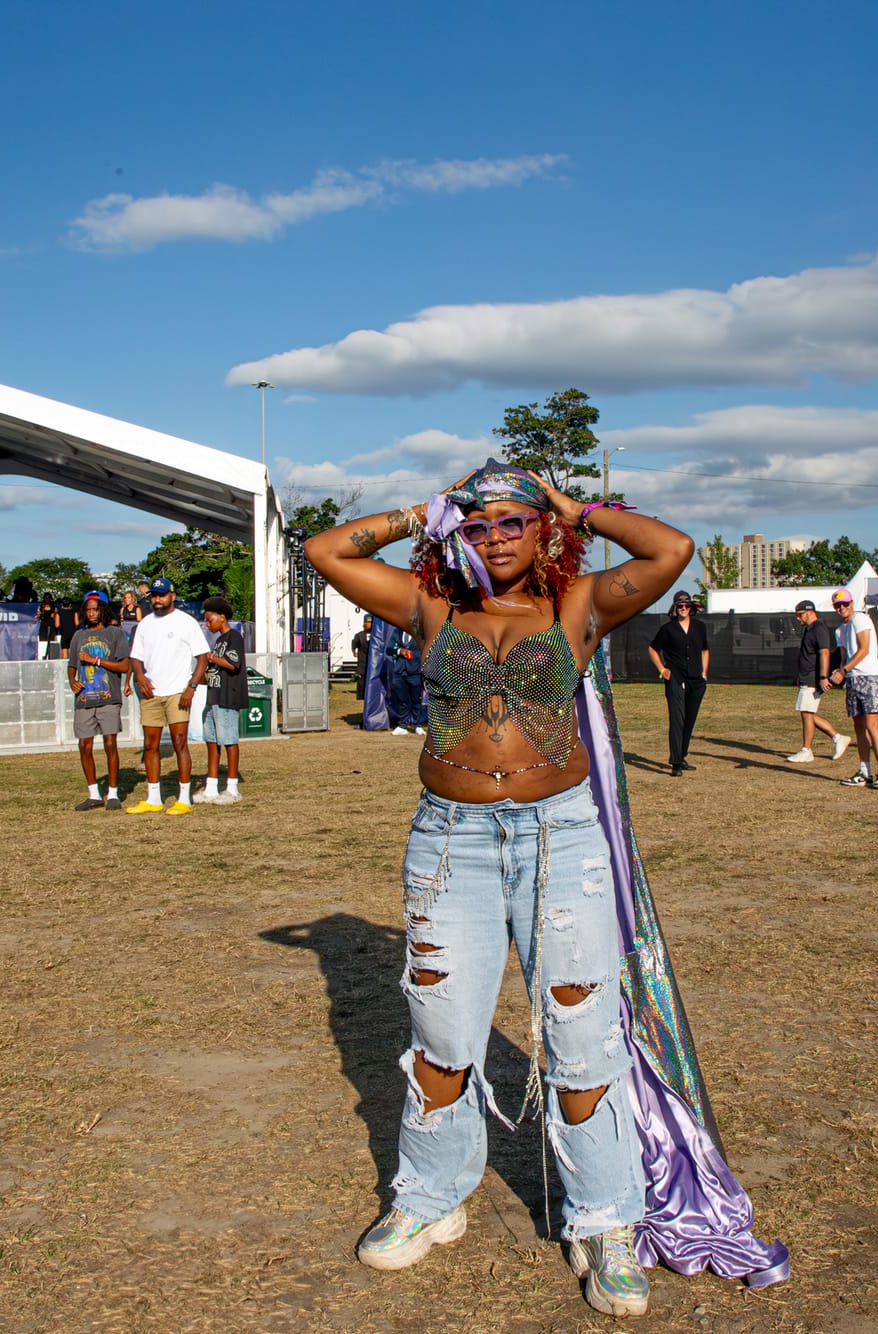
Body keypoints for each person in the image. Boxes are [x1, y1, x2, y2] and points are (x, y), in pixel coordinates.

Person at [301, 459, 785, 1314]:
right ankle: (429, 1198)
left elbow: (672, 548)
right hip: (451, 842)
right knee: (442, 1033)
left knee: (582, 1033)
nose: (495, 537)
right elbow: (326, 550)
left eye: (513, 522)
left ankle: (605, 1223)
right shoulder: (431, 608)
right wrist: (425, 512)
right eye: (479, 524)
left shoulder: (578, 608)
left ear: (541, 532)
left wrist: (575, 508)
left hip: (560, 838)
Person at [125, 577, 208, 815]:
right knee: (150, 745)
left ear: (172, 596)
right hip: (151, 692)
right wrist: (139, 677)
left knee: (180, 742)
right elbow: (135, 657)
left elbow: (203, 657)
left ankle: (184, 798)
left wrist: (191, 686)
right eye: (153, 595)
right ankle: (153, 798)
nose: (156, 600)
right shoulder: (145, 624)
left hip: (177, 692)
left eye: (161, 595)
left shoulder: (186, 622)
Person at [68, 591, 132, 810]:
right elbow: (72, 666)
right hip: (84, 699)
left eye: (95, 609)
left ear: (103, 610)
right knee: (84, 745)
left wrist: (96, 660)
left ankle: (113, 793)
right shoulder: (79, 636)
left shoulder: (114, 634)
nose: (91, 613)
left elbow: (124, 665)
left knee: (110, 743)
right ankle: (94, 794)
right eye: (88, 610)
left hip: (108, 698)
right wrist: (72, 681)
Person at [828, 591, 878, 788]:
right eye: (838, 605)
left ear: (852, 603)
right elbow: (845, 657)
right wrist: (839, 672)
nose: (842, 608)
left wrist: (843, 670)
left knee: (872, 725)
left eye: (845, 604)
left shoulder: (860, 619)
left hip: (869, 676)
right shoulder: (839, 630)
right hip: (853, 679)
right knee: (859, 727)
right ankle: (864, 770)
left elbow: (863, 649)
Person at [646, 590, 709, 776]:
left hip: (696, 679)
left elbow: (705, 650)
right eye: (680, 605)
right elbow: (652, 649)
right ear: (675, 608)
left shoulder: (699, 627)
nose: (683, 608)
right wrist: (662, 669)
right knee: (677, 718)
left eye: (686, 605)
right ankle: (675, 763)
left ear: (690, 607)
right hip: (675, 678)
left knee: (690, 718)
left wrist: (704, 673)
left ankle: (682, 755)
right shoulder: (668, 629)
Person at [784, 600, 848, 765]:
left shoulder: (819, 628)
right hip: (807, 676)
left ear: (809, 612)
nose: (798, 619)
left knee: (807, 712)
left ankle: (808, 749)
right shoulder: (809, 629)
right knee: (807, 712)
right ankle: (837, 738)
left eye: (799, 615)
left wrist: (822, 677)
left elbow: (824, 653)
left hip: (814, 677)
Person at [199, 595, 247, 804]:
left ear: (223, 617)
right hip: (214, 695)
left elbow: (232, 664)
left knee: (229, 740)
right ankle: (211, 786)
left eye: (210, 619)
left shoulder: (234, 637)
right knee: (211, 740)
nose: (208, 624)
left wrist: (210, 657)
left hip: (228, 695)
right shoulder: (218, 640)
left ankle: (232, 787)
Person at [383, 624, 428, 735]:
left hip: (415, 672)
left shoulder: (420, 634)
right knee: (401, 700)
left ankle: (417, 725)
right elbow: (389, 649)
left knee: (416, 700)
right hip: (399, 672)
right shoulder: (397, 632)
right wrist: (399, 651)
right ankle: (402, 725)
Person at [352, 614, 374, 688]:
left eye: (371, 622)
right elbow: (354, 644)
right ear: (364, 623)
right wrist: (354, 652)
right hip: (363, 662)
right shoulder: (359, 635)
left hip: (373, 662)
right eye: (368, 622)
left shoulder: (377, 635)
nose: (370, 624)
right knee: (362, 680)